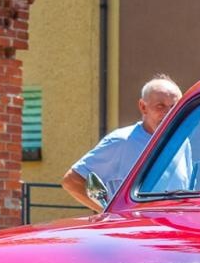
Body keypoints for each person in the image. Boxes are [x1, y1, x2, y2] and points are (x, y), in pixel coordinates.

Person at [62, 75, 182, 212]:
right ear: (143, 107)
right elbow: (72, 181)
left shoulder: (182, 142)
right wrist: (111, 214)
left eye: (174, 107)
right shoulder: (122, 142)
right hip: (140, 231)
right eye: (160, 106)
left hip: (176, 229)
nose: (168, 113)